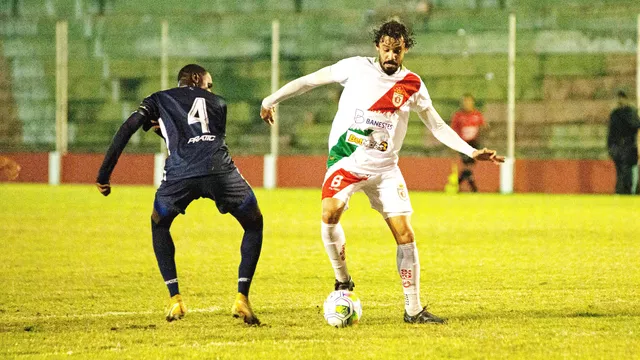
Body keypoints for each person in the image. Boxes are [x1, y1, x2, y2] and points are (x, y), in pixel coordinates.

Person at [260, 20, 504, 324]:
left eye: (397, 51)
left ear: (405, 50)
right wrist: (271, 99)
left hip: (386, 168)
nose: (391, 56)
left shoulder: (412, 84)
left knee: (405, 233)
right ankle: (343, 280)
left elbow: (437, 125)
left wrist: (470, 151)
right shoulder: (355, 68)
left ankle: (413, 309)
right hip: (347, 161)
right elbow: (310, 80)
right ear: (378, 47)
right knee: (329, 213)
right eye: (387, 49)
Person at [96, 64, 263, 325]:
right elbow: (203, 138)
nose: (211, 89)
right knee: (254, 223)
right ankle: (242, 296)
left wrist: (104, 174)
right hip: (220, 173)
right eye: (209, 84)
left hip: (179, 176)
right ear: (196, 78)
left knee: (159, 223)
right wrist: (166, 129)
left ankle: (175, 299)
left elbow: (128, 128)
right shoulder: (219, 102)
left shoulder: (158, 99)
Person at [450, 93, 486, 192]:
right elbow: (453, 130)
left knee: (469, 166)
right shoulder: (458, 116)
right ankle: (473, 188)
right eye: (465, 101)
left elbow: (483, 127)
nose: (467, 104)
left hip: (474, 144)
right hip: (462, 144)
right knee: (467, 165)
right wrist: (453, 145)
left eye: (469, 101)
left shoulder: (477, 115)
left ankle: (457, 184)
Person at [607, 90, 640, 195]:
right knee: (619, 170)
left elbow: (635, 125)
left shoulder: (631, 112)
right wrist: (609, 146)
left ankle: (626, 191)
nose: (620, 100)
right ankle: (620, 190)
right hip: (617, 145)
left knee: (627, 170)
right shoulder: (615, 114)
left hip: (629, 145)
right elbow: (611, 131)